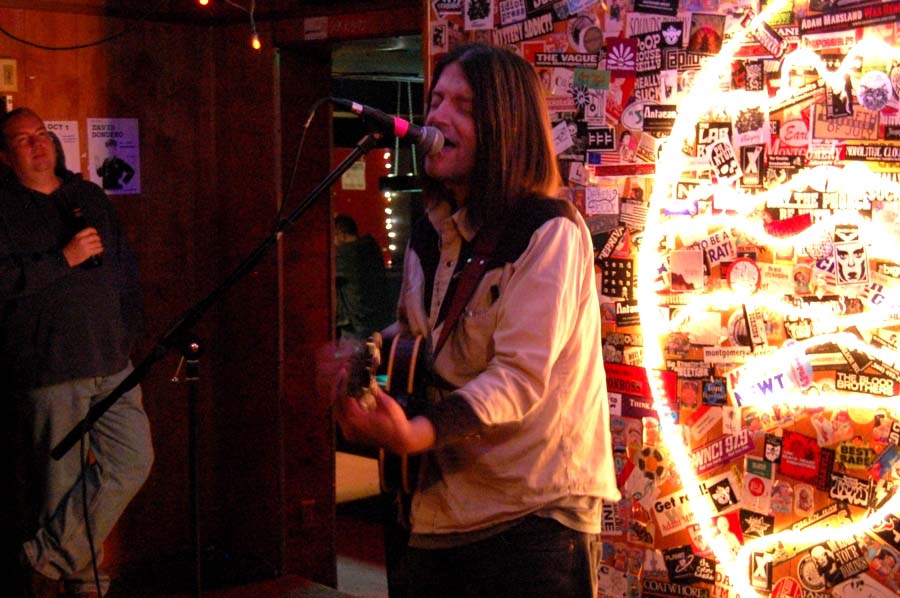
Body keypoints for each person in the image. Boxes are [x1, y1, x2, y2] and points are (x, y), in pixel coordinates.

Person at [333, 44, 619, 598]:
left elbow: (519, 377)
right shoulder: (429, 231)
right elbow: (421, 343)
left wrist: (416, 432)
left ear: (504, 126)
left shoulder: (548, 231)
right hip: (437, 509)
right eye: (436, 100)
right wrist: (362, 354)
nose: (436, 116)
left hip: (530, 519)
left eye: (462, 105)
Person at [0, 108, 153, 598]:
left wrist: (126, 333)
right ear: (6, 156)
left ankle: (42, 559)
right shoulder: (3, 207)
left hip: (112, 361)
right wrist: (61, 259)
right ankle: (85, 584)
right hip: (49, 366)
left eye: (42, 134)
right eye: (23, 140)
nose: (37, 144)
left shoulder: (85, 196)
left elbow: (124, 270)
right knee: (59, 487)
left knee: (132, 459)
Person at [334, 214, 394, 341]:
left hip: (356, 325)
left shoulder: (346, 255)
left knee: (352, 359)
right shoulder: (370, 249)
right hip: (376, 322)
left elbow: (325, 272)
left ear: (341, 234)